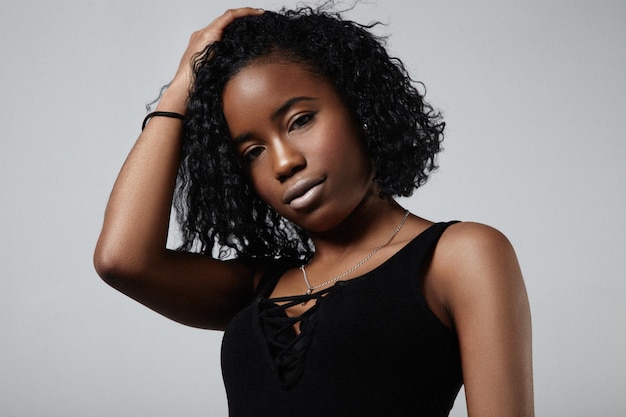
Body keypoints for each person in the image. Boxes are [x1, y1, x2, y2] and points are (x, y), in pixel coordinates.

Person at [94, 6, 534, 417]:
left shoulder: (458, 256)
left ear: (360, 107)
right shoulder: (258, 286)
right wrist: (179, 90)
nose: (283, 163)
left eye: (300, 120)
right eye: (252, 151)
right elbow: (121, 260)